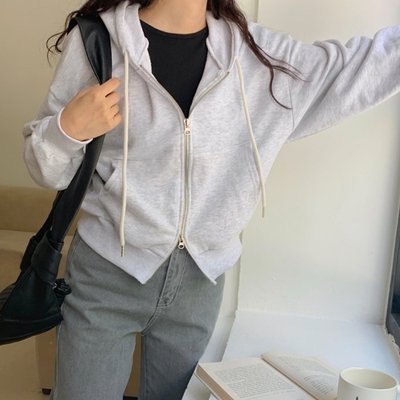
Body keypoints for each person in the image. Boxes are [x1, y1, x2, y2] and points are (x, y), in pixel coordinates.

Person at [23, 0, 400, 399]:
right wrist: (68, 129)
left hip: (200, 284)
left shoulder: (259, 56)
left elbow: (359, 66)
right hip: (107, 276)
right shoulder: (98, 40)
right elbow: (47, 171)